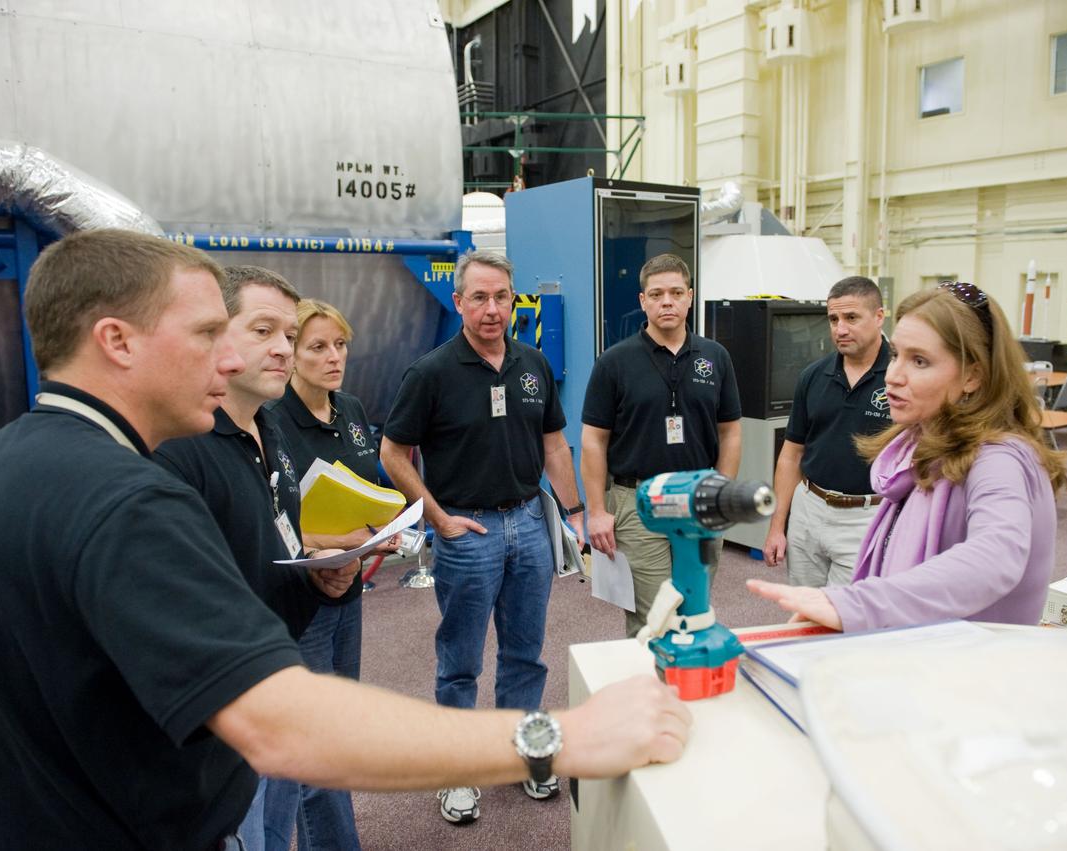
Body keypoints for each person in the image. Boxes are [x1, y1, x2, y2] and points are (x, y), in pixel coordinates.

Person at [0, 229, 691, 851]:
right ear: (116, 340)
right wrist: (556, 734)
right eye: (208, 334)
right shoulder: (126, 498)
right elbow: (283, 724)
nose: (229, 357)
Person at [153, 266, 361, 851]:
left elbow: (274, 544)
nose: (283, 349)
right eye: (264, 330)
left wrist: (320, 572)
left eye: (289, 335)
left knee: (279, 813)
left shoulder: (271, 427)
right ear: (216, 335)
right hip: (227, 704)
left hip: (279, 658)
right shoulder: (180, 449)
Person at [380, 248, 586, 825]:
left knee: (525, 653)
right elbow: (393, 453)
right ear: (459, 301)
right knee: (461, 659)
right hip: (466, 530)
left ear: (513, 299)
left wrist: (571, 514)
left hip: (528, 521)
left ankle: (521, 758)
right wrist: (437, 518)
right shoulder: (431, 373)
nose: (492, 309)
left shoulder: (532, 364)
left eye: (501, 296)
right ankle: (461, 771)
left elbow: (553, 445)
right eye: (479, 298)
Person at [749, 281, 1067, 631]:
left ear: (973, 375)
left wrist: (858, 604)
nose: (893, 376)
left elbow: (996, 557)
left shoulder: (999, 459)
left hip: (966, 671)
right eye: (897, 355)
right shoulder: (922, 446)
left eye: (919, 361)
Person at [268, 298, 397, 850]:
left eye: (340, 345)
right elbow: (266, 519)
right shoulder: (269, 418)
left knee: (339, 733)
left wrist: (371, 538)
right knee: (314, 748)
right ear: (292, 354)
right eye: (318, 347)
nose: (333, 356)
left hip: (349, 588)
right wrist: (329, 548)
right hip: (302, 596)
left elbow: (368, 486)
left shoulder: (349, 408)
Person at [581, 253, 742, 637]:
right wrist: (598, 511)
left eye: (674, 292)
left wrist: (721, 492)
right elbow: (593, 440)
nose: (666, 301)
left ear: (689, 297)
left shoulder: (714, 357)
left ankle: (686, 689)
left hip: (698, 500)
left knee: (695, 605)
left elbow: (731, 432)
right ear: (642, 301)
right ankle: (653, 690)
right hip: (639, 504)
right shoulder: (614, 362)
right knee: (653, 617)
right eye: (656, 294)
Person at [762, 276, 892, 588]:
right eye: (833, 319)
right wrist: (777, 526)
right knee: (804, 617)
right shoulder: (813, 376)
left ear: (878, 317)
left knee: (848, 622)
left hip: (868, 517)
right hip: (810, 511)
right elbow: (792, 455)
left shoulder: (901, 376)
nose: (840, 329)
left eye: (851, 318)